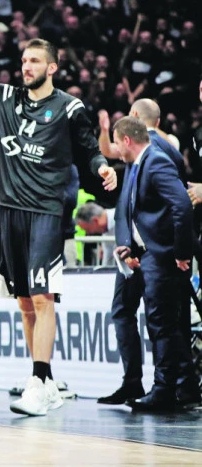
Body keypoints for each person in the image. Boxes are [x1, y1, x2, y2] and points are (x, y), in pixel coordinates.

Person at [0, 4, 117, 417]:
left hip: (45, 211)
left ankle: (39, 382)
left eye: (35, 61)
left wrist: (103, 167)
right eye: (24, 60)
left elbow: (89, 151)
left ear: (52, 67)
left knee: (42, 297)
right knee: (24, 301)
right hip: (9, 212)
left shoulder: (70, 107)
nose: (26, 66)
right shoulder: (4, 96)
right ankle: (45, 380)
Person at [96, 100, 198, 407]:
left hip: (159, 253)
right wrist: (128, 244)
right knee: (150, 318)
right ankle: (160, 386)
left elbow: (181, 205)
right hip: (139, 251)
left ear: (127, 138)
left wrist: (181, 252)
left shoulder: (157, 157)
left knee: (162, 321)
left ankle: (169, 389)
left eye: (117, 143)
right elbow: (129, 207)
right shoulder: (136, 161)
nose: (115, 151)